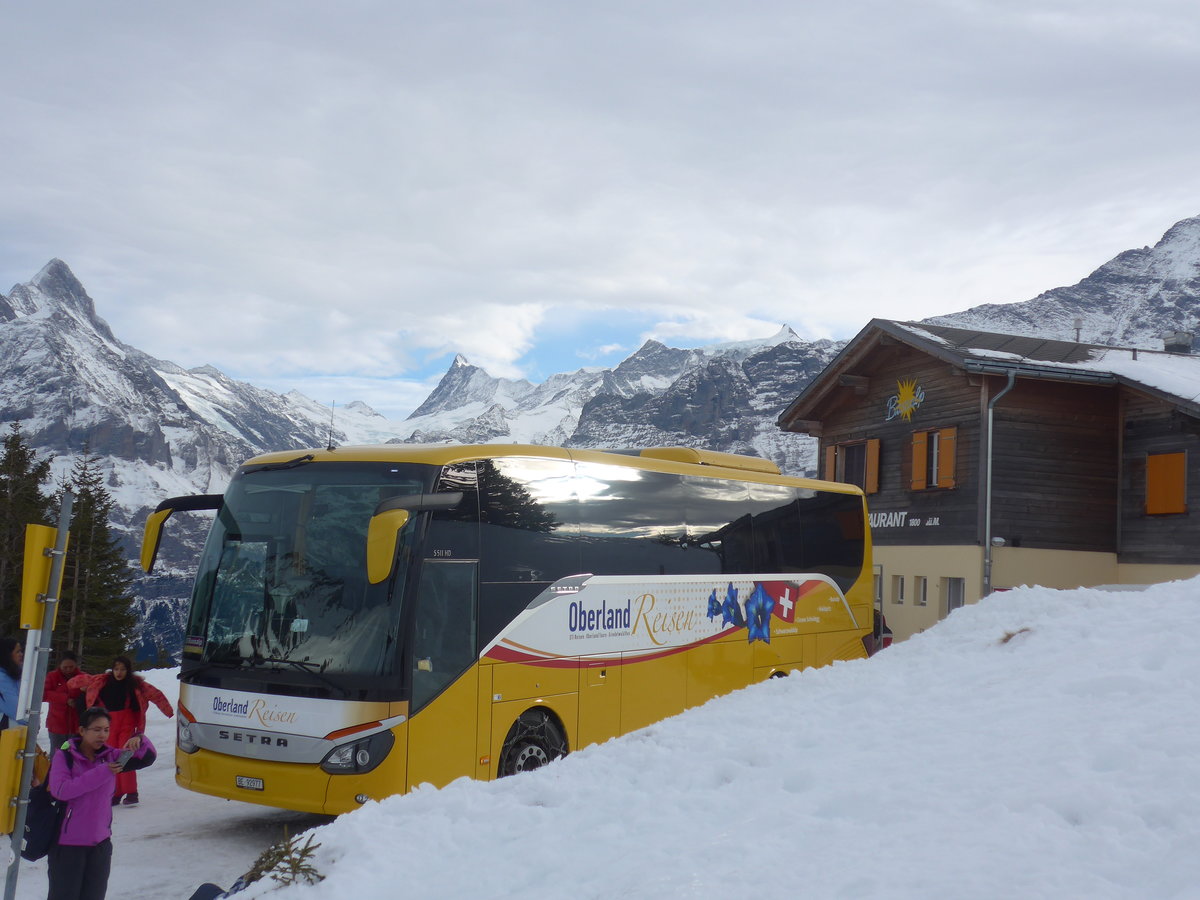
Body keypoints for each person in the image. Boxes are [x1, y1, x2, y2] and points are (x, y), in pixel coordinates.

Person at [47, 706, 156, 900]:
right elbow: (61, 791)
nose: (102, 735)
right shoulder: (65, 757)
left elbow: (147, 758)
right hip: (68, 846)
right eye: (96, 730)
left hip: (100, 845)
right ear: (82, 731)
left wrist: (139, 739)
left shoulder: (111, 756)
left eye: (106, 730)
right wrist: (102, 772)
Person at [82, 656, 173, 806]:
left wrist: (168, 711)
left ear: (128, 670)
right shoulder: (103, 681)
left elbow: (156, 694)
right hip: (109, 724)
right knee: (111, 757)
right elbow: (79, 681)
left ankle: (131, 792)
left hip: (127, 723)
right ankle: (115, 792)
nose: (119, 672)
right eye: (116, 669)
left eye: (123, 669)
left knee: (125, 757)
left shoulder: (135, 684)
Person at [44, 651, 85, 759]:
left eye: (71, 667)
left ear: (76, 665)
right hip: (57, 723)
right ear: (59, 665)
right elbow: (44, 694)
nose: (68, 670)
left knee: (76, 755)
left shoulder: (83, 677)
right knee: (57, 754)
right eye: (65, 667)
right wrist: (65, 699)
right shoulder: (52, 676)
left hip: (76, 724)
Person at [0, 636, 25, 728]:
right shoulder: (2, 678)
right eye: (17, 651)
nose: (21, 654)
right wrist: (31, 722)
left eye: (21, 651)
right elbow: (15, 710)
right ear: (7, 654)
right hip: (6, 730)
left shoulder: (14, 673)